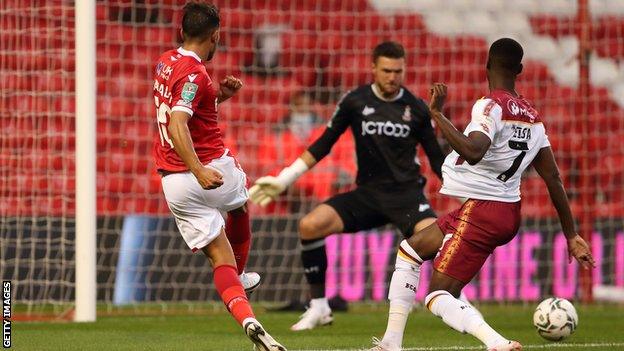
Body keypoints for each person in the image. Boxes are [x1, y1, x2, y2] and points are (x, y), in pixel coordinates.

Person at [370, 38, 595, 351]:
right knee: (410, 250)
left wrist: (437, 114)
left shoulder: (489, 106)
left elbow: (474, 151)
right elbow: (553, 178)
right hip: (505, 210)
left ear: (487, 65)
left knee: (438, 296)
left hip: (485, 210)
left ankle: (497, 343)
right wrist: (571, 235)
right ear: (520, 70)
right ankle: (391, 343)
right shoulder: (533, 117)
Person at [249, 41, 449, 331]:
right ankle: (319, 308)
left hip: (407, 196)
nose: (392, 77)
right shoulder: (355, 101)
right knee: (309, 225)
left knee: (440, 243)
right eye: (386, 70)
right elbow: (323, 145)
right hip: (367, 194)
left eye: (398, 71)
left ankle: (456, 300)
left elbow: (437, 160)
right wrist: (284, 179)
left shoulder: (417, 108)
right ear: (373, 69)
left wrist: (469, 196)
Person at [151, 2, 285, 350]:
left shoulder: (165, 61)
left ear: (182, 32)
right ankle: (240, 276)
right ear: (216, 35)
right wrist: (199, 169)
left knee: (218, 258)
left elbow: (182, 109)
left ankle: (248, 319)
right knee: (240, 208)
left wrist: (217, 98)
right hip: (209, 169)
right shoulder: (197, 74)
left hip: (173, 183)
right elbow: (179, 122)